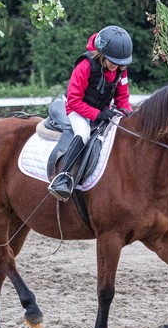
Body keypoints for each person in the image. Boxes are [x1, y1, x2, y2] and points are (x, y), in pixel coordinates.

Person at [48, 25, 134, 202]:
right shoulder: (85, 66)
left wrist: (127, 114)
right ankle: (63, 177)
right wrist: (97, 114)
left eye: (119, 63)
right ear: (102, 54)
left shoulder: (120, 69)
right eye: (112, 62)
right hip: (76, 108)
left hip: (102, 110)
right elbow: (74, 100)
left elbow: (123, 98)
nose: (115, 66)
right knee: (84, 133)